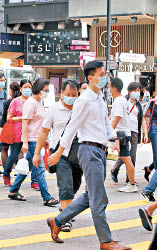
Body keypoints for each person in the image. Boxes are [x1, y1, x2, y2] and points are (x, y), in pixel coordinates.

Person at [46, 61, 131, 250]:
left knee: (90, 195)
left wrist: (114, 138)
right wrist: (59, 152)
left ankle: (57, 220)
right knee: (99, 198)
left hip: (100, 150)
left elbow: (105, 122)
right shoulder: (84, 100)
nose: (105, 77)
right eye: (102, 74)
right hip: (88, 150)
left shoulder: (100, 98)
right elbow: (71, 127)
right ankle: (106, 240)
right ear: (91, 77)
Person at [32, 79, 83, 232]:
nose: (72, 97)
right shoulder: (54, 109)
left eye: (75, 94)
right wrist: (36, 154)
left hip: (78, 154)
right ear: (62, 93)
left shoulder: (81, 108)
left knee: (75, 184)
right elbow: (44, 132)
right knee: (65, 185)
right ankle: (64, 219)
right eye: (68, 94)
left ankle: (64, 208)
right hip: (60, 155)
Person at [8, 78, 59, 207]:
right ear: (39, 89)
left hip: (37, 140)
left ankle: (14, 190)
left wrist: (45, 140)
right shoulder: (31, 103)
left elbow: (39, 124)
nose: (47, 92)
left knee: (30, 167)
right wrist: (24, 142)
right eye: (45, 90)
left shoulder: (39, 102)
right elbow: (25, 123)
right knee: (40, 169)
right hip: (31, 141)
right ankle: (47, 197)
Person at [111, 82, 147, 184]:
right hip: (123, 131)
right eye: (134, 90)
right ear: (129, 91)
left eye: (138, 91)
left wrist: (145, 133)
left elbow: (143, 119)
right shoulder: (124, 101)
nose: (136, 93)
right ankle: (115, 170)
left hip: (134, 132)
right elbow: (115, 117)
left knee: (132, 155)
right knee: (125, 155)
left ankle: (129, 178)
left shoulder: (139, 105)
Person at [2, 80, 35, 187]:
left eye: (29, 87)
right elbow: (9, 118)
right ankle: (6, 174)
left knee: (33, 156)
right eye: (25, 87)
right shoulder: (15, 101)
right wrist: (23, 117)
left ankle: (34, 180)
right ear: (20, 89)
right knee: (14, 155)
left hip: (31, 133)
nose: (27, 89)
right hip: (17, 133)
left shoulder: (33, 101)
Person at [108, 77, 138, 193]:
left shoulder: (119, 101)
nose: (109, 88)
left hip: (121, 134)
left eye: (110, 86)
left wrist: (109, 133)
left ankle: (131, 183)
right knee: (124, 158)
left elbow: (117, 119)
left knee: (126, 159)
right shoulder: (120, 100)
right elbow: (113, 117)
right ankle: (130, 182)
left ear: (114, 88)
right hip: (122, 133)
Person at [141, 86, 157, 202]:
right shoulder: (153, 102)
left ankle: (150, 170)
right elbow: (144, 116)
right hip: (155, 130)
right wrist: (145, 134)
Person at [0, 81, 22, 176]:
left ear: (11, 90)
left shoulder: (8, 102)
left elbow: (4, 118)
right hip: (20, 129)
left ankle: (6, 171)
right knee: (19, 150)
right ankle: (20, 171)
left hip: (9, 128)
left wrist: (0, 131)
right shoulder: (22, 101)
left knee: (4, 148)